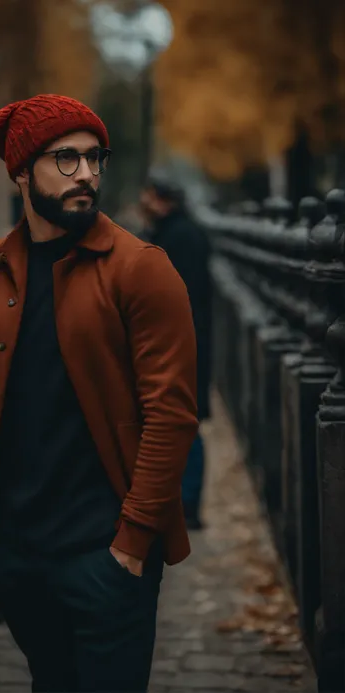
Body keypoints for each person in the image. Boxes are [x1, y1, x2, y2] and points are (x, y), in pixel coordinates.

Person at [0, 94, 198, 693]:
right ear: (20, 172)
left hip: (106, 556)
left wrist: (132, 542)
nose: (86, 173)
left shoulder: (142, 269)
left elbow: (172, 413)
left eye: (94, 158)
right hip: (17, 555)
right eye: (65, 159)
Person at [140, 175, 212, 529]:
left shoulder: (177, 237)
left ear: (162, 199)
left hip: (181, 345)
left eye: (149, 196)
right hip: (183, 343)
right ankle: (182, 504)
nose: (144, 202)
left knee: (184, 423)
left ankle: (187, 506)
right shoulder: (180, 233)